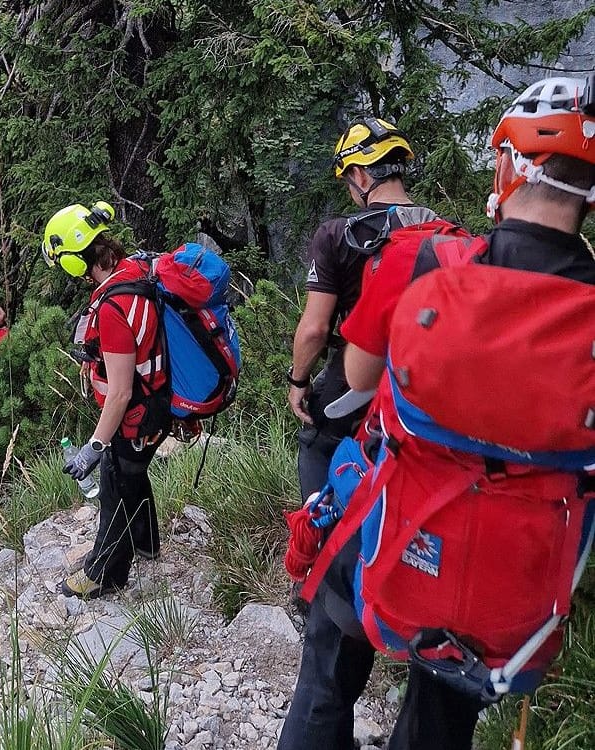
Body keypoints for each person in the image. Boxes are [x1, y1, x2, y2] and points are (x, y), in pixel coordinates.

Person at [281, 76, 595, 750]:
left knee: (327, 675)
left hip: (398, 531)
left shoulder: (429, 262)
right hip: (514, 577)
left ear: (509, 166)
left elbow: (356, 383)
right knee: (442, 718)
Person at [287, 117, 434, 500]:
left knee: (316, 443)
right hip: (425, 379)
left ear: (360, 175)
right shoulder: (443, 231)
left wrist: (298, 380)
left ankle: (320, 542)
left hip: (357, 376)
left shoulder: (337, 235)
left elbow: (315, 329)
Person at [41, 200, 168, 599]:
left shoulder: (114, 305)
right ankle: (147, 544)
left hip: (136, 415)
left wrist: (94, 446)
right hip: (157, 403)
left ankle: (104, 573)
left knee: (116, 480)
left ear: (78, 260)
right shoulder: (132, 271)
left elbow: (120, 392)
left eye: (64, 261)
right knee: (133, 474)